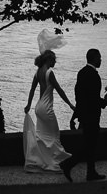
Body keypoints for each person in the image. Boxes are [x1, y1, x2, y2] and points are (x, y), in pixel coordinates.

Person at [22, 31, 75, 173]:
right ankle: (56, 161)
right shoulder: (49, 73)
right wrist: (70, 104)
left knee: (43, 136)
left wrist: (28, 105)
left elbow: (32, 89)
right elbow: (60, 90)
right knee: (54, 135)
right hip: (46, 108)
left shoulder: (37, 72)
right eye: (54, 60)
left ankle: (43, 160)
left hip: (38, 107)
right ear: (48, 60)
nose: (55, 62)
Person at [59, 48, 107, 182]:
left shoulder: (81, 72)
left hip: (84, 114)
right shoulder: (93, 75)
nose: (100, 60)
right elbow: (93, 97)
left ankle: (91, 172)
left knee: (90, 144)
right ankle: (68, 164)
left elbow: (79, 94)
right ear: (94, 58)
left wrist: (78, 113)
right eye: (99, 58)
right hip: (92, 115)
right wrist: (105, 102)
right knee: (89, 145)